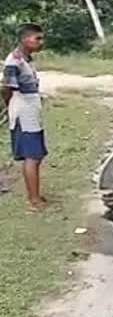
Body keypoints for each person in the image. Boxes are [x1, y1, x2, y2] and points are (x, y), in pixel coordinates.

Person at [2, 23, 47, 211]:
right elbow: (6, 89)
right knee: (32, 156)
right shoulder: (13, 61)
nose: (41, 42)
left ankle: (35, 194)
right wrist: (9, 108)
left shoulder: (27, 59)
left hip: (31, 111)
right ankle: (33, 200)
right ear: (24, 39)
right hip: (23, 112)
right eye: (37, 38)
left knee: (36, 155)